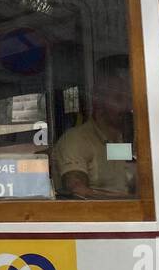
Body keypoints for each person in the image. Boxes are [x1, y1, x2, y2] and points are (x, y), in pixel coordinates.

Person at [51, 57, 136, 199]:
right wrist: (133, 201)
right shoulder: (76, 140)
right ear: (98, 103)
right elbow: (78, 191)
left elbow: (132, 181)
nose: (127, 107)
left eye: (129, 100)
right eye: (119, 99)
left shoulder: (122, 139)